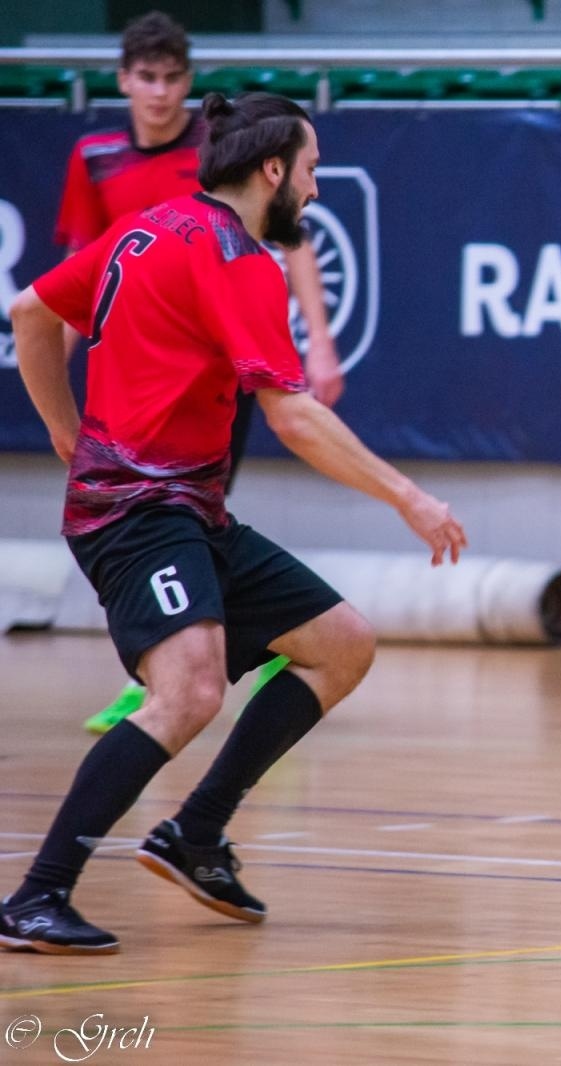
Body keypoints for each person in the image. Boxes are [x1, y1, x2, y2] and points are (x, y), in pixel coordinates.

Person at [0, 91, 467, 955]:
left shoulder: (148, 225)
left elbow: (30, 313)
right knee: (190, 691)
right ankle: (37, 894)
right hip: (136, 515)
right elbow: (293, 417)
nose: (319, 191)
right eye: (315, 171)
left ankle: (196, 833)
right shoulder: (239, 261)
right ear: (274, 170)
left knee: (342, 643)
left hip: (187, 510)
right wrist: (409, 496)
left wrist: (66, 432)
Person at [56, 11, 346, 734]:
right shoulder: (94, 156)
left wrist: (321, 342)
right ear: (122, 80)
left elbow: (292, 239)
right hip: (134, 362)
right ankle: (174, 673)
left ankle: (199, 667)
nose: (160, 92)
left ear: (189, 82)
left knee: (199, 509)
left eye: (174, 77)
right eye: (146, 77)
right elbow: (73, 277)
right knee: (155, 521)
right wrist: (61, 395)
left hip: (218, 359)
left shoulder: (220, 150)